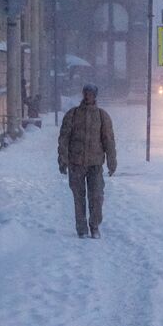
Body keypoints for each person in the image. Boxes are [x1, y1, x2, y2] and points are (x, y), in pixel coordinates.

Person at [57, 84, 117, 238]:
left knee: (96, 196)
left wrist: (111, 161)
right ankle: (81, 228)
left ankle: (94, 225)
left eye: (91, 93)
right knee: (79, 197)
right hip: (76, 163)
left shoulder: (102, 116)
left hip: (95, 164)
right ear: (83, 94)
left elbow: (108, 140)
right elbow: (64, 138)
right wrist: (63, 159)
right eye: (86, 93)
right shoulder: (73, 114)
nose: (88, 96)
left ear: (95, 96)